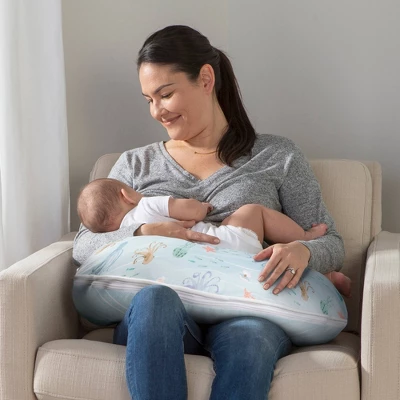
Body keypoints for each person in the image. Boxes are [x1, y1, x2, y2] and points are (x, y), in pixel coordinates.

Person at [73, 25, 346, 400]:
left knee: (251, 336)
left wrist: (303, 250)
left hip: (248, 311)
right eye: (149, 100)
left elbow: (331, 242)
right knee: (153, 302)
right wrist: (144, 232)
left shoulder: (277, 155)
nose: (157, 111)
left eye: (165, 94)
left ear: (205, 79)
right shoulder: (135, 165)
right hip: (165, 315)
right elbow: (84, 245)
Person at [77, 177, 351, 296]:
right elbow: (189, 210)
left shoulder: (120, 243)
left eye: (165, 95)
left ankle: (319, 268)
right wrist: (201, 209)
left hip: (196, 276)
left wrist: (139, 235)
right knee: (252, 212)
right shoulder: (146, 204)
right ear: (126, 194)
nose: (156, 109)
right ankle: (305, 236)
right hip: (225, 243)